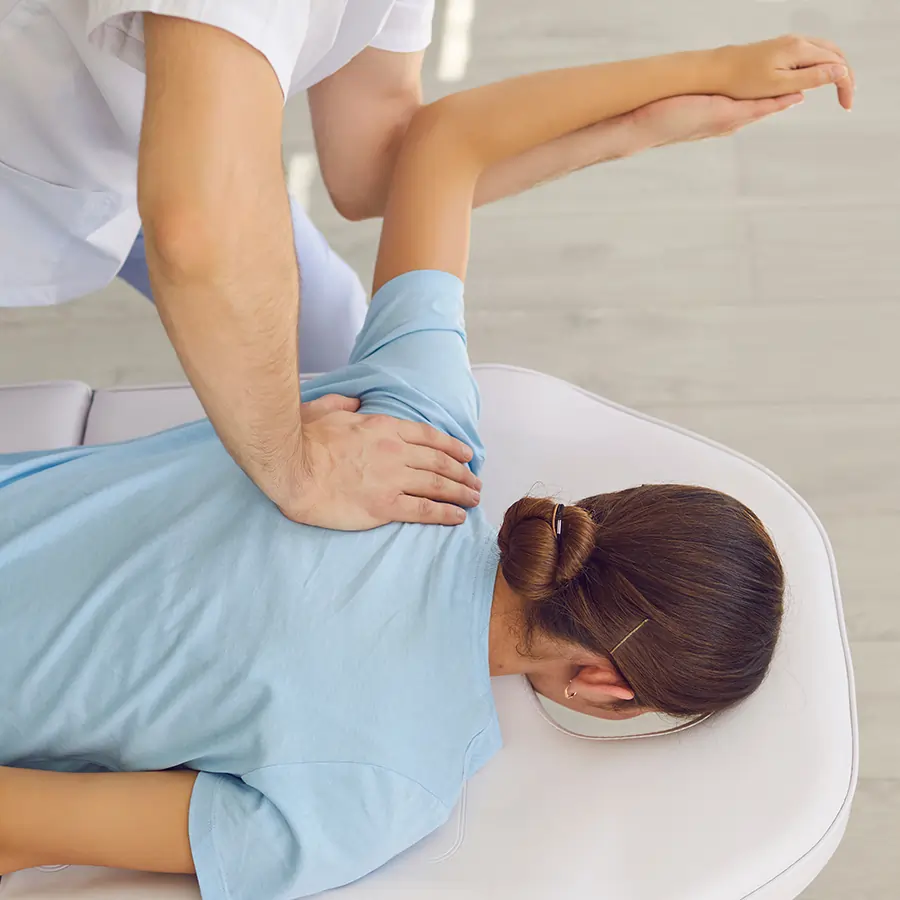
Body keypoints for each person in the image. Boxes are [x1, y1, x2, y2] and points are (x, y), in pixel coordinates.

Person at [0, 32, 854, 900]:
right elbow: (13, 824)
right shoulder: (379, 791)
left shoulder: (416, 434)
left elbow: (445, 142)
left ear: (599, 514)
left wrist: (692, 81)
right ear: (608, 688)